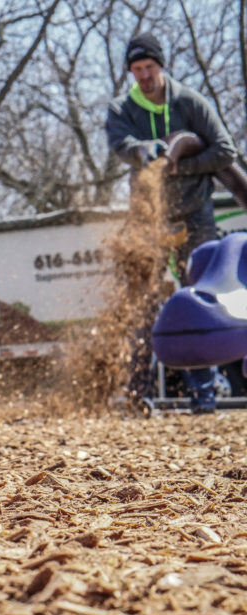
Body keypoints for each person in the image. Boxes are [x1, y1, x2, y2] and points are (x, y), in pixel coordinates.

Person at [106, 31, 237, 413]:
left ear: (160, 66)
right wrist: (145, 151)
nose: (144, 76)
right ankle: (138, 392)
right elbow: (121, 145)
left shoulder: (189, 102)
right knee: (142, 302)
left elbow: (225, 150)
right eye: (136, 70)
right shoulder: (121, 111)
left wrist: (179, 165)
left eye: (149, 67)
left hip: (195, 216)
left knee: (196, 300)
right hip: (148, 219)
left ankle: (206, 391)